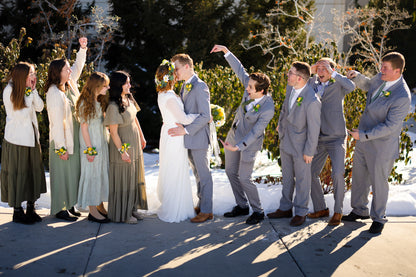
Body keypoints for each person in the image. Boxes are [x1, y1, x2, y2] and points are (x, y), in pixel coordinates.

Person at [343, 52, 411, 234]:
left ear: (397, 71)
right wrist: (357, 77)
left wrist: (363, 135)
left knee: (378, 183)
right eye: (381, 66)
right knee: (359, 178)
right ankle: (359, 210)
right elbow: (368, 85)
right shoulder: (381, 77)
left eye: (385, 68)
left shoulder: (402, 95)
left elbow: (389, 126)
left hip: (382, 146)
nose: (381, 70)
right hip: (363, 139)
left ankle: (379, 218)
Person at [210, 45, 275, 225]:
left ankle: (258, 211)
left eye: (251, 88)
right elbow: (240, 69)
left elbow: (256, 132)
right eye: (248, 85)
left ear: (261, 91)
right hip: (233, 136)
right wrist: (225, 51)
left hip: (249, 144)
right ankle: (241, 205)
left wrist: (238, 147)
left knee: (245, 177)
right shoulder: (250, 86)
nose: (247, 88)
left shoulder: (268, 107)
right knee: (231, 172)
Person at [267, 62, 321, 227]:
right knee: (288, 178)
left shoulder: (312, 100)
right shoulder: (290, 90)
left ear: (299, 78)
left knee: (303, 180)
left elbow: (314, 129)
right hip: (286, 142)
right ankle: (285, 208)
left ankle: (300, 212)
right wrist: (280, 126)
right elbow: (284, 110)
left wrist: (309, 151)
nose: (287, 75)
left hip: (302, 147)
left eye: (290, 73)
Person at [307, 58, 355, 226]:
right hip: (318, 138)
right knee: (310, 173)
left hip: (336, 138)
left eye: (324, 68)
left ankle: (338, 211)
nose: (321, 71)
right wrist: (310, 72)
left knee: (337, 173)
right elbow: (297, 89)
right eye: (318, 68)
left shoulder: (339, 84)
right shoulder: (312, 84)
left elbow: (352, 86)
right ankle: (321, 208)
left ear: (332, 70)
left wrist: (333, 73)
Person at [167, 54, 213, 223]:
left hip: (198, 137)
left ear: (187, 66)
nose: (174, 72)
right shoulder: (185, 86)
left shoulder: (200, 86)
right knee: (197, 174)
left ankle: (207, 210)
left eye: (176, 68)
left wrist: (185, 131)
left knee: (204, 174)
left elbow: (205, 116)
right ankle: (202, 205)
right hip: (189, 138)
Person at [46, 37, 88, 221]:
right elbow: (56, 124)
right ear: (58, 73)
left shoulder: (69, 84)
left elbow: (77, 67)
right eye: (65, 69)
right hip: (61, 141)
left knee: (72, 175)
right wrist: (60, 148)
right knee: (62, 176)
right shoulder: (54, 93)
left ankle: (70, 204)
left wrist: (82, 49)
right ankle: (59, 209)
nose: (69, 70)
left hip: (73, 138)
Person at [1, 62, 47, 224]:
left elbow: (40, 108)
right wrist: (29, 93)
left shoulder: (28, 90)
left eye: (34, 74)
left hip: (32, 139)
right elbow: (21, 114)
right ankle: (17, 211)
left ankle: (31, 208)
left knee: (32, 174)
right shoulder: (9, 90)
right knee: (18, 175)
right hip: (16, 140)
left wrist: (33, 91)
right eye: (31, 74)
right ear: (22, 76)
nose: (34, 77)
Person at [155, 60, 198, 223]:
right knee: (175, 169)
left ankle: (173, 202)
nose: (177, 74)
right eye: (175, 73)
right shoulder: (170, 97)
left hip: (169, 132)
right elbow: (184, 119)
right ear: (170, 77)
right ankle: (176, 207)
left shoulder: (163, 94)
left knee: (171, 167)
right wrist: (202, 116)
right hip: (175, 134)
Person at [104, 71, 148, 224]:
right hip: (122, 147)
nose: (130, 85)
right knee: (124, 179)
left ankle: (132, 208)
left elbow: (135, 119)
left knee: (133, 177)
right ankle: (122, 214)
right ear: (118, 85)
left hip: (134, 143)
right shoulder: (112, 106)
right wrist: (122, 152)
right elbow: (113, 132)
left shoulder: (128, 98)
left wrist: (141, 137)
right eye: (127, 83)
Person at [75, 72, 110, 223]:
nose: (107, 88)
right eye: (104, 85)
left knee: (100, 174)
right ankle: (92, 211)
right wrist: (90, 149)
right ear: (96, 86)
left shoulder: (98, 100)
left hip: (100, 142)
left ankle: (100, 205)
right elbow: (84, 128)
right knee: (91, 175)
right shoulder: (84, 102)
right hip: (91, 144)